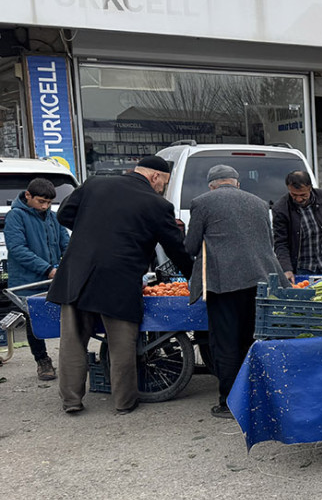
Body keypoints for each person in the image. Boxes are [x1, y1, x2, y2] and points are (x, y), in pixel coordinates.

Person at [48, 155, 194, 415]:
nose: (162, 189)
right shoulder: (156, 204)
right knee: (122, 343)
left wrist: (91, 229)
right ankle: (124, 402)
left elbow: (64, 214)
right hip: (119, 278)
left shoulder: (94, 184)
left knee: (72, 341)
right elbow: (175, 248)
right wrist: (194, 276)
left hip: (76, 272)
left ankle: (71, 401)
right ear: (155, 177)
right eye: (164, 183)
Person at [185, 165, 283, 419]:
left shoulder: (202, 202)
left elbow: (191, 245)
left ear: (211, 185)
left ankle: (229, 402)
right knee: (250, 339)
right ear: (237, 183)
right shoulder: (260, 203)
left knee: (225, 342)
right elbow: (268, 243)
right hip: (259, 280)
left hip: (223, 284)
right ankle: (255, 395)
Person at [3, 177, 71, 381]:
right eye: (41, 202)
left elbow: (65, 242)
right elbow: (17, 249)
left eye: (49, 203)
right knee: (34, 321)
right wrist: (47, 269)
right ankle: (42, 361)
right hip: (28, 279)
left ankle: (73, 358)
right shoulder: (16, 216)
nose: (45, 206)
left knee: (68, 315)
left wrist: (70, 262)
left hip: (53, 276)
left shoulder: (51, 216)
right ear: (28, 196)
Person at [272, 171, 322, 284]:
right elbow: (281, 243)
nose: (299, 199)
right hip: (302, 268)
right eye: (294, 195)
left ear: (310, 188)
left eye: (303, 195)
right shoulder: (281, 209)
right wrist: (287, 269)